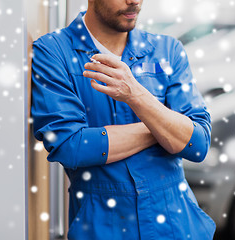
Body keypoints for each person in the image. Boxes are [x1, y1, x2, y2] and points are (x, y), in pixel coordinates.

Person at [31, 0, 216, 239]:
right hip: (102, 225)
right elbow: (71, 146)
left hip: (177, 225)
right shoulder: (54, 52)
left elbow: (197, 144)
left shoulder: (167, 50)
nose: (134, 1)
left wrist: (136, 95)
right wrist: (162, 127)